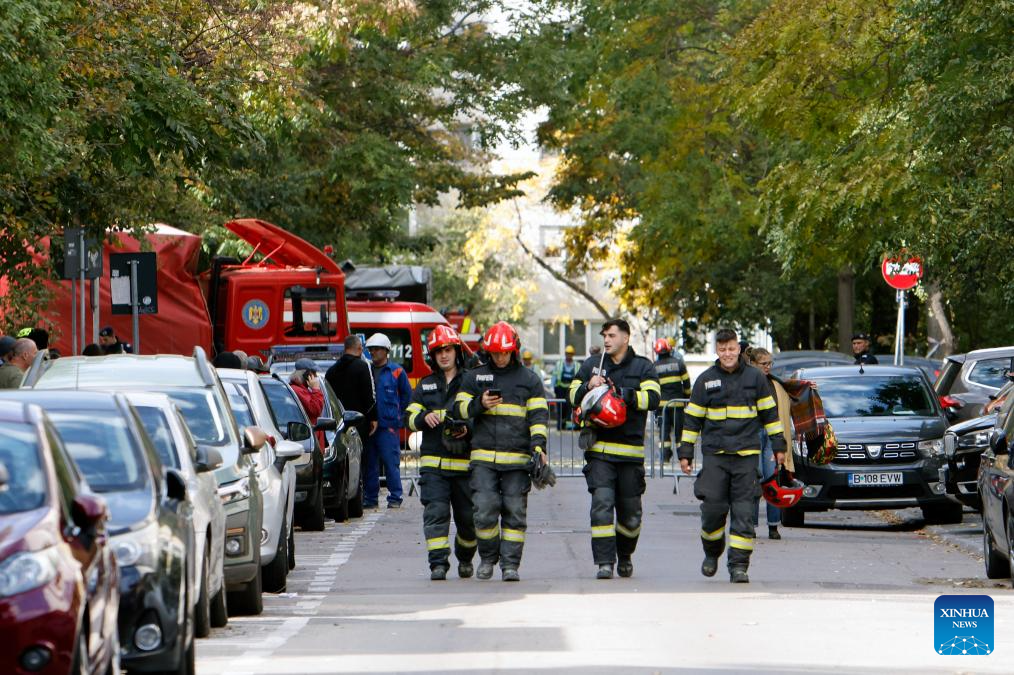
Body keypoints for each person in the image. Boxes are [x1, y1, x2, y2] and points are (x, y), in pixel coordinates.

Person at [678, 328, 786, 584]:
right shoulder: (705, 380)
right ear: (717, 350)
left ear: (739, 349)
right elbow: (692, 420)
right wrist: (686, 452)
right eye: (722, 349)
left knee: (744, 512)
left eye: (731, 348)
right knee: (713, 510)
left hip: (746, 455)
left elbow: (770, 415)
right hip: (715, 456)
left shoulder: (755, 378)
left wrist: (778, 446)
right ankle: (712, 552)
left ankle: (739, 566)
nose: (727, 354)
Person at [452, 321, 548, 582]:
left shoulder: (529, 380)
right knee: (484, 511)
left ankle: (510, 565)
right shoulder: (475, 377)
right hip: (483, 459)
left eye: (504, 352)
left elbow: (539, 417)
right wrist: (479, 404)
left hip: (517, 460)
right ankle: (487, 558)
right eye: (495, 353)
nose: (500, 357)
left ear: (513, 350)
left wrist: (539, 447)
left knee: (515, 513)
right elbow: (458, 409)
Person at [569, 319, 660, 579]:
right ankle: (604, 562)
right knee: (602, 505)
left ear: (625, 338)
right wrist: (588, 386)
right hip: (599, 452)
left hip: (630, 454)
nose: (606, 340)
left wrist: (626, 394)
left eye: (611, 335)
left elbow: (654, 398)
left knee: (631, 517)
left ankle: (625, 554)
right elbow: (571, 394)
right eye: (605, 336)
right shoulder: (592, 365)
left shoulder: (643, 366)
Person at [404, 326, 477, 580]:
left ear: (457, 351)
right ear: (432, 356)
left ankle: (465, 557)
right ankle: (438, 564)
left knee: (469, 521)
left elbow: (481, 416)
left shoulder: (470, 381)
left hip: (465, 467)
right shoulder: (425, 385)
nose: (444, 355)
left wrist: (467, 428)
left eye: (448, 350)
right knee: (435, 515)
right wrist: (423, 417)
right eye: (438, 351)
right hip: (434, 467)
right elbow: (408, 417)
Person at [746, 348, 792, 540]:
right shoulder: (746, 381)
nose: (768, 367)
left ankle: (773, 526)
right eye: (764, 364)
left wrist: (807, 386)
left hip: (771, 434)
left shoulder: (773, 382)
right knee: (754, 479)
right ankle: (751, 525)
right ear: (753, 363)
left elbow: (791, 388)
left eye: (770, 363)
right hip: (753, 434)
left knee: (771, 479)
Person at [365, 333, 412, 509]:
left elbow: (407, 395)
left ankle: (395, 497)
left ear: (386, 351)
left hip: (388, 427)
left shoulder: (397, 371)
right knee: (370, 464)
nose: (373, 352)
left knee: (391, 463)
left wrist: (399, 417)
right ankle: (370, 498)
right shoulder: (366, 370)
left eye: (377, 349)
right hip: (370, 426)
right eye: (371, 349)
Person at [325, 335, 378, 441]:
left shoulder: (331, 371)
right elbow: (369, 396)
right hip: (359, 423)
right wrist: (373, 418)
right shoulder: (363, 367)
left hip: (338, 423)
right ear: (359, 348)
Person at [654, 337, 691, 463]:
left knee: (664, 433)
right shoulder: (678, 363)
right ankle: (683, 458)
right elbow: (686, 382)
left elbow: (653, 387)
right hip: (678, 405)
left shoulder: (654, 367)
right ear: (669, 349)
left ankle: (665, 457)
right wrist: (686, 397)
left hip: (662, 407)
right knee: (679, 433)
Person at [552, 345, 580, 429]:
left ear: (573, 354)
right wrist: (552, 388)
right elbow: (554, 377)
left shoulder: (577, 365)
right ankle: (560, 425)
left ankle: (570, 426)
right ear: (565, 354)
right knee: (560, 408)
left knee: (570, 408)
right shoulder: (559, 364)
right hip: (560, 390)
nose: (569, 355)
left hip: (571, 391)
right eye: (567, 353)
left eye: (570, 354)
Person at [290, 358, 325, 424]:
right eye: (314, 373)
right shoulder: (299, 391)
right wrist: (316, 389)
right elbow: (315, 410)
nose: (316, 376)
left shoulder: (302, 389)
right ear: (306, 375)